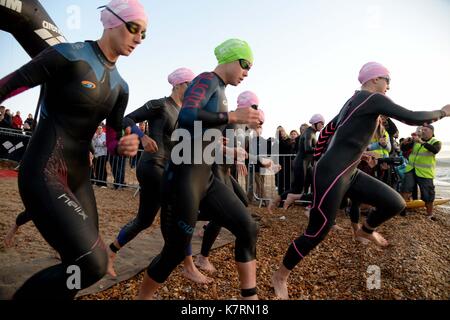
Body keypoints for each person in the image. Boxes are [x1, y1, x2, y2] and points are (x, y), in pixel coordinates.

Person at [0, 0, 147, 299]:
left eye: (144, 34)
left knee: (78, 264)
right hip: (44, 170)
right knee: (93, 264)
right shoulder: (68, 55)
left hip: (80, 178)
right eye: (135, 28)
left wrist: (125, 145)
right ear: (111, 22)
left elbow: (112, 140)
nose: (139, 39)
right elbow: (7, 87)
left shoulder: (121, 87)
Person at [272, 61, 450, 299]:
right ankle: (280, 276)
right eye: (388, 81)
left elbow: (328, 132)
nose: (389, 87)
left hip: (349, 171)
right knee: (318, 231)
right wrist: (443, 112)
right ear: (375, 79)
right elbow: (412, 117)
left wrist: (345, 154)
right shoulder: (372, 98)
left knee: (395, 202)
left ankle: (365, 230)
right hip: (333, 172)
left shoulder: (353, 101)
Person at [137, 38, 261, 300]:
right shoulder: (205, 79)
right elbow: (187, 115)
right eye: (245, 65)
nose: (247, 72)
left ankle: (250, 298)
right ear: (230, 58)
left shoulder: (221, 90)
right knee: (173, 253)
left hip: (205, 178)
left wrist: (220, 140)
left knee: (248, 227)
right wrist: (232, 117)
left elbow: (199, 132)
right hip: (183, 179)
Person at [107, 67, 212, 284]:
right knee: (178, 208)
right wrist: (142, 136)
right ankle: (188, 265)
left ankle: (110, 252)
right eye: (189, 86)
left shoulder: (185, 113)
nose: (192, 91)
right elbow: (127, 119)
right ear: (177, 84)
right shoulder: (160, 104)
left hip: (168, 168)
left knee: (144, 220)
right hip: (152, 165)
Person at [400, 123, 442, 219]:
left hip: (425, 172)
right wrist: (405, 142)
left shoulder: (436, 141)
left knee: (428, 194)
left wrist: (421, 142)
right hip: (411, 169)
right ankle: (401, 210)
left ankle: (429, 214)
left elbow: (435, 150)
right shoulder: (415, 141)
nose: (422, 131)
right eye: (422, 130)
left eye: (425, 130)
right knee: (405, 189)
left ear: (432, 132)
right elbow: (403, 149)